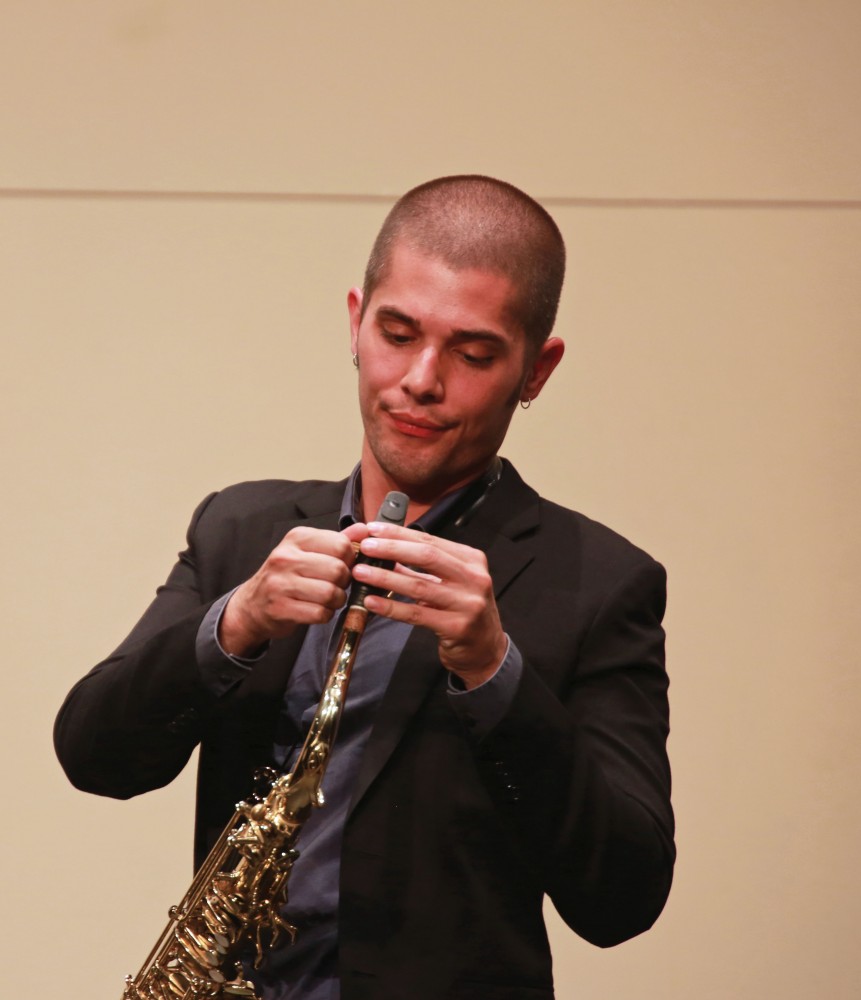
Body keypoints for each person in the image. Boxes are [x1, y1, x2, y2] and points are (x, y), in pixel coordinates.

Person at [54, 175, 674, 1000]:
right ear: (355, 321)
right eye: (397, 331)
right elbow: (94, 755)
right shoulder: (240, 528)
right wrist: (233, 624)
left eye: (475, 352)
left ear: (537, 369)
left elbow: (624, 896)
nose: (421, 378)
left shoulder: (601, 581)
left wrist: (496, 672)